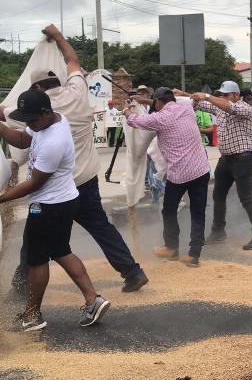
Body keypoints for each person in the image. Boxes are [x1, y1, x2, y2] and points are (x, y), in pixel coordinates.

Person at [8, 25, 147, 298]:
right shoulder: (78, 91)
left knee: (37, 238)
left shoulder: (40, 111)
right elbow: (73, 61)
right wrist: (58, 36)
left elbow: (22, 141)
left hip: (56, 189)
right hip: (86, 180)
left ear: (37, 89)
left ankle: (20, 288)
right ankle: (132, 271)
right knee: (101, 228)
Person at [1, 89, 109, 331]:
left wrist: (2, 198)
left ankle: (32, 314)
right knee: (61, 251)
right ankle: (93, 300)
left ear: (46, 112)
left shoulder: (53, 142)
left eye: (32, 120)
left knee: (36, 260)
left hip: (48, 206)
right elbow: (21, 140)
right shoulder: (49, 121)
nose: (29, 124)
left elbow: (34, 183)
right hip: (64, 201)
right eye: (26, 119)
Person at [125, 87, 211, 267]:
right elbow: (171, 103)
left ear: (157, 103)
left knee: (169, 210)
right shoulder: (186, 107)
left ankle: (171, 248)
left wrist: (127, 111)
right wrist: (145, 101)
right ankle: (194, 255)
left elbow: (135, 121)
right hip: (201, 169)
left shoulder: (160, 118)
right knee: (198, 213)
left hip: (179, 174)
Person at [188, 82, 252, 250]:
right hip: (226, 159)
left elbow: (224, 106)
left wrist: (208, 96)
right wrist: (185, 94)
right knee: (218, 195)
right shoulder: (219, 107)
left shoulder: (244, 108)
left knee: (245, 198)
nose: (222, 97)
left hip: (243, 158)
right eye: (222, 95)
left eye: (226, 95)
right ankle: (218, 232)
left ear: (235, 95)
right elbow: (201, 103)